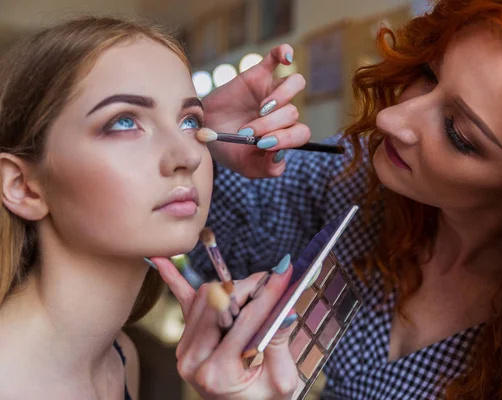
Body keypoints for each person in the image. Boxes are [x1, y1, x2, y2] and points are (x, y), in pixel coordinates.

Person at [192, 0, 502, 398]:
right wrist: (213, 146)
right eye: (428, 74)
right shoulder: (358, 174)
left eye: (458, 133)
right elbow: (214, 238)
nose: (390, 120)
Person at [0, 17, 306, 400]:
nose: (188, 156)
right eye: (124, 121)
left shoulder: (120, 358)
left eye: (189, 121)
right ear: (22, 186)